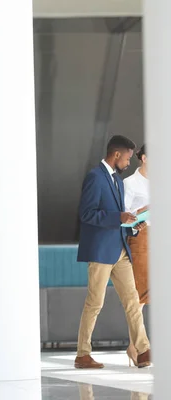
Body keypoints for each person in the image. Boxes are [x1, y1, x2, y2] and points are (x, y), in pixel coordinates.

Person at [75, 135, 151, 369]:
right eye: (128, 157)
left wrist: (134, 225)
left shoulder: (117, 180)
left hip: (121, 248)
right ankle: (82, 354)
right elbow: (86, 214)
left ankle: (143, 350)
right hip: (100, 250)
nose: (129, 162)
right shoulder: (95, 177)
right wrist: (118, 217)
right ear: (116, 154)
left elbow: (121, 217)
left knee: (132, 299)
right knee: (95, 303)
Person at [123, 144, 150, 366]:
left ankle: (136, 347)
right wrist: (141, 212)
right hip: (141, 237)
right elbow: (123, 214)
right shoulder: (130, 183)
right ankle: (137, 347)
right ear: (144, 158)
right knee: (140, 295)